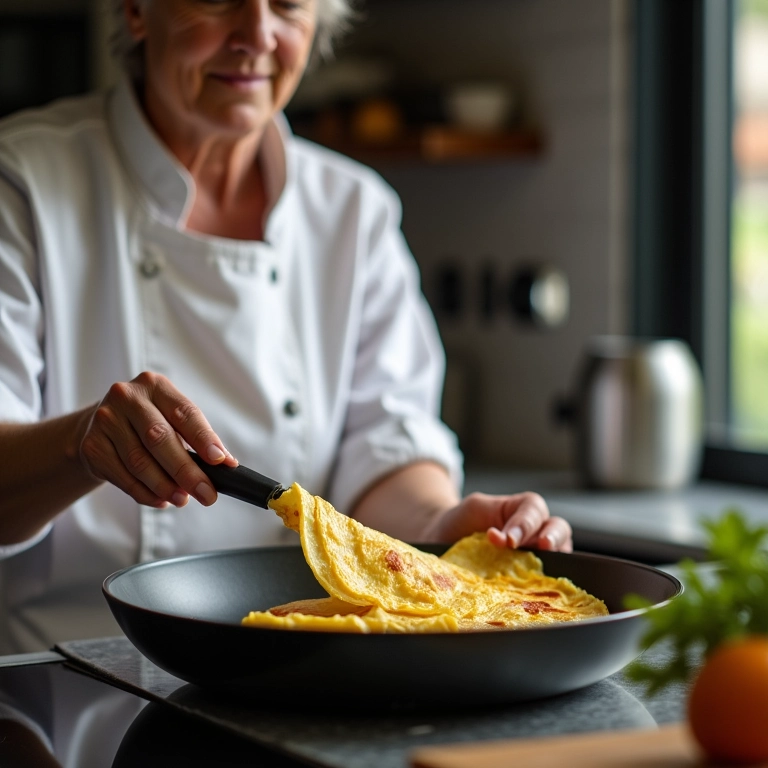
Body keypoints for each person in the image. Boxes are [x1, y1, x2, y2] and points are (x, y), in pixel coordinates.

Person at [0, 0, 572, 654]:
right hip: (68, 675)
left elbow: (385, 448)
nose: (256, 35)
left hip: (301, 667)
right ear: (136, 10)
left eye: (289, 5)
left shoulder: (353, 212)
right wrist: (80, 444)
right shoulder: (23, 183)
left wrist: (441, 525)